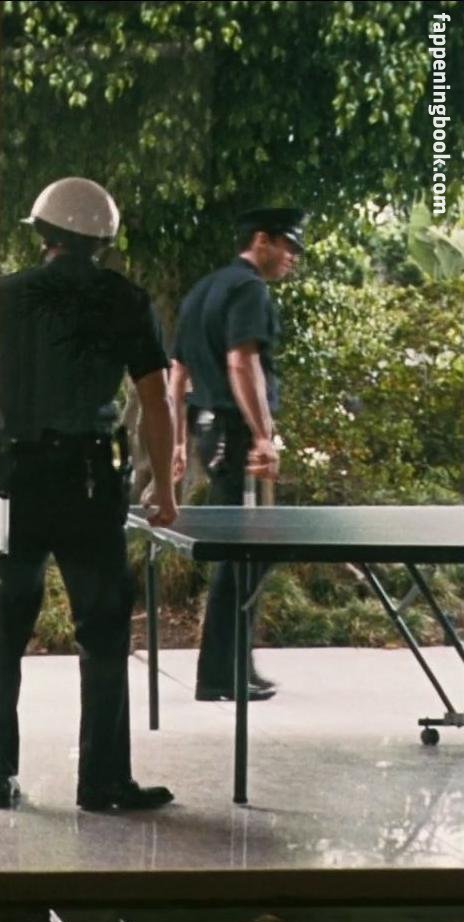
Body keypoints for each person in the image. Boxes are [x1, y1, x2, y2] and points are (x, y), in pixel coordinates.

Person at [0, 177, 179, 813]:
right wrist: (165, 487)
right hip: (90, 484)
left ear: (42, 233)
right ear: (104, 241)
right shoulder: (125, 300)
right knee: (102, 633)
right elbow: (155, 400)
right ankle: (103, 781)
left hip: (9, 484)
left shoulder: (3, 296)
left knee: (0, 627)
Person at [170, 207, 304, 703]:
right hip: (236, 431)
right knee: (244, 553)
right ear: (261, 240)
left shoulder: (203, 289)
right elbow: (242, 363)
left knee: (247, 551)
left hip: (211, 430)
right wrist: (263, 436)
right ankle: (221, 674)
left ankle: (235, 664)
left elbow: (177, 375)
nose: (293, 257)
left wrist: (179, 442)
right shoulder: (249, 289)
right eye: (289, 246)